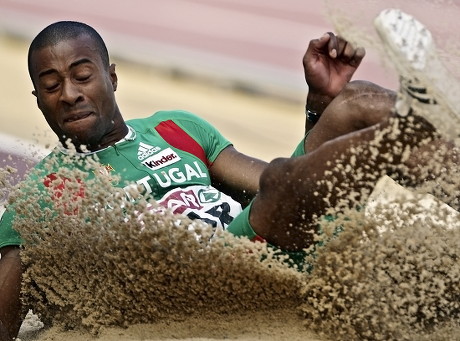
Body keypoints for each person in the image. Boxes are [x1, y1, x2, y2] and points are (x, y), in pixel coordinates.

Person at [0, 9, 458, 340]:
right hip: (228, 273)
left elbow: (279, 184)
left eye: (83, 75)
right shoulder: (42, 195)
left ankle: (427, 121)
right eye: (52, 84)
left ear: (112, 77)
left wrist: (319, 105)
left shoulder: (174, 128)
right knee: (284, 184)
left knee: (354, 100)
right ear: (38, 97)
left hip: (280, 234)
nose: (70, 94)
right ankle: (418, 120)